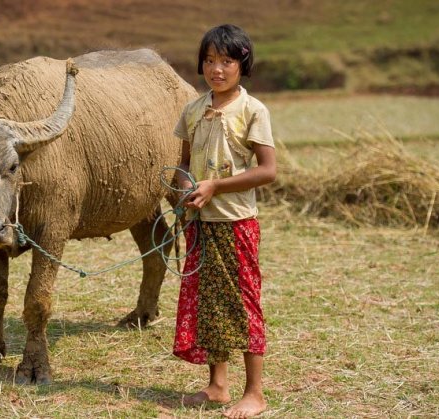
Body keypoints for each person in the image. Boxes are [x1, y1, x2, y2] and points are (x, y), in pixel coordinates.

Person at [172, 24, 276, 418]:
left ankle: (255, 393)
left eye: (226, 61)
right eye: (210, 60)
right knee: (210, 305)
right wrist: (185, 185)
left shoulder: (252, 110)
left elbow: (267, 171)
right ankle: (217, 386)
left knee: (242, 303)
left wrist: (216, 185)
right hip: (200, 222)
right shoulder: (194, 109)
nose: (217, 69)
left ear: (242, 64)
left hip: (235, 224)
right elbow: (183, 163)